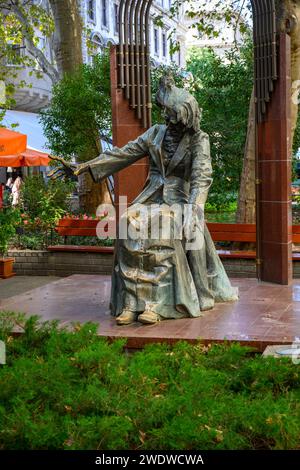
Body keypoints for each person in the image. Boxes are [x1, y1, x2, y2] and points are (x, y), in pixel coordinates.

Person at [51, 77, 238, 325]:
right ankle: (132, 302)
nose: (168, 120)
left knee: (163, 231)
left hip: (180, 201)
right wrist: (83, 167)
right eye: (166, 113)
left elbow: (201, 177)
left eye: (173, 116)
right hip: (150, 197)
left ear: (186, 117)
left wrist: (194, 209)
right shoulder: (155, 133)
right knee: (128, 223)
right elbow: (122, 153)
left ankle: (157, 303)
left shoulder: (198, 140)